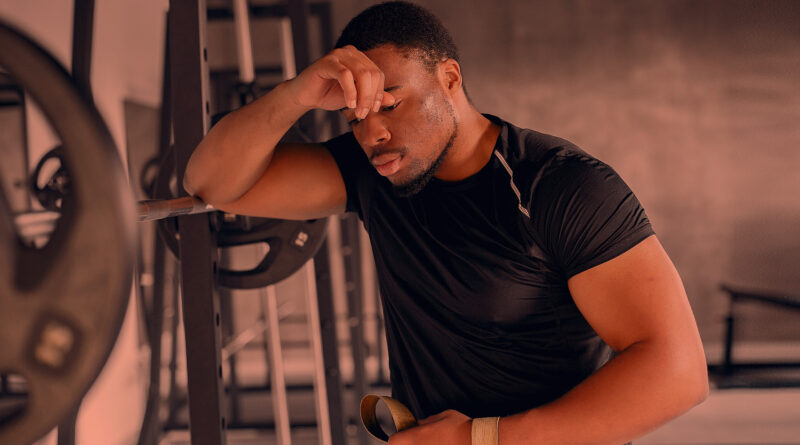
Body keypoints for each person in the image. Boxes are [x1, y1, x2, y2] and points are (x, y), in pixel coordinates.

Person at [184, 2, 708, 444]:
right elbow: (211, 182)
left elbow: (677, 372)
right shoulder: (372, 174)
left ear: (450, 77)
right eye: (355, 117)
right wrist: (296, 93)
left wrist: (479, 437)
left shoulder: (560, 186)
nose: (373, 134)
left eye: (389, 104)